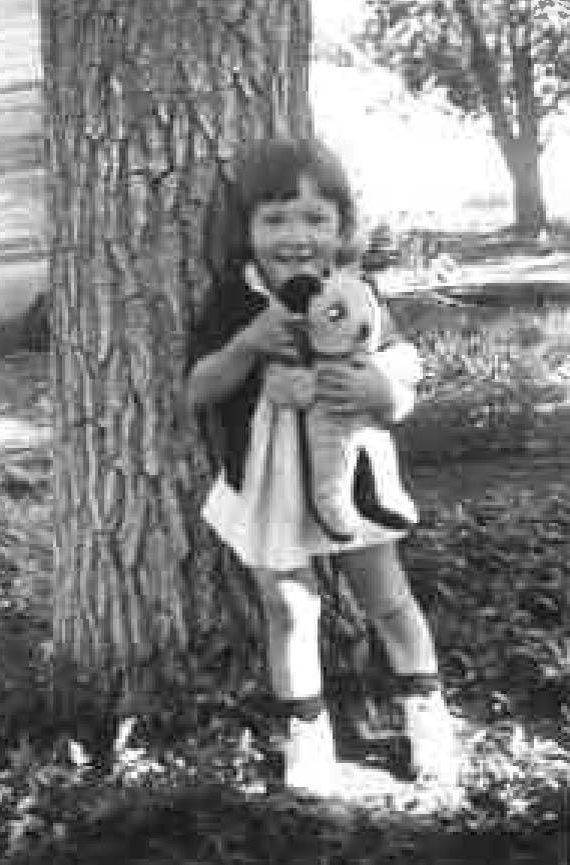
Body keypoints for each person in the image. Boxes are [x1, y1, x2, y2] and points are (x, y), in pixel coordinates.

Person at [186, 137, 459, 798]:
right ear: (245, 230)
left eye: (316, 218)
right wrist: (249, 343)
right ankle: (307, 734)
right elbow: (197, 388)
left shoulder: (356, 290)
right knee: (289, 607)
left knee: (387, 597)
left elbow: (400, 364)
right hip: (272, 485)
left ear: (341, 228)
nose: (296, 236)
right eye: (274, 218)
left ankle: (426, 713)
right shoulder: (235, 300)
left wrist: (382, 391)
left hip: (352, 481)